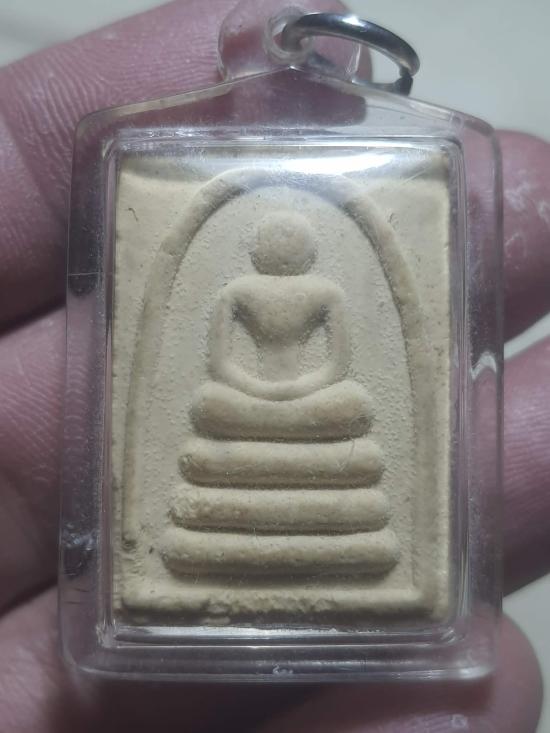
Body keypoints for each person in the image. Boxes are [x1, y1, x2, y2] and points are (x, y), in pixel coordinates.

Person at [0, 1, 548, 731]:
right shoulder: (238, 290)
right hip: (243, 403)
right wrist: (256, 387)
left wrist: (303, 389)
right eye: (273, 244)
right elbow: (223, 359)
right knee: (212, 412)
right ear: (261, 249)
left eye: (291, 243)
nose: (282, 251)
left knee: (351, 410)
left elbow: (340, 361)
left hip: (318, 403)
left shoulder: (326, 291)